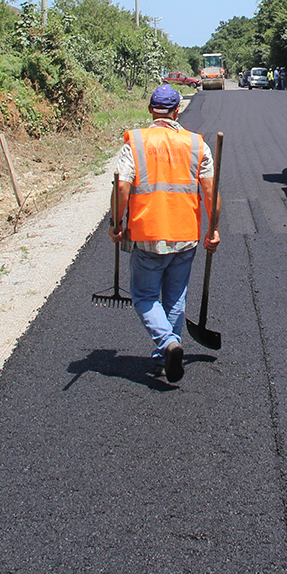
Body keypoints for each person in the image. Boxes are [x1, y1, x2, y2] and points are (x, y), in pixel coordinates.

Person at [109, 84, 219, 382]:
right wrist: (214, 229)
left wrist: (116, 225)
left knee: (144, 295)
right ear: (176, 111)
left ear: (150, 110)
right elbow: (211, 191)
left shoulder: (136, 142)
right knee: (175, 297)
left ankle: (168, 343)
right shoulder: (197, 144)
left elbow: (122, 186)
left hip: (147, 233)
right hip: (186, 234)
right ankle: (163, 358)